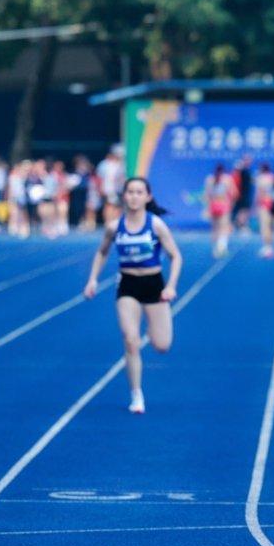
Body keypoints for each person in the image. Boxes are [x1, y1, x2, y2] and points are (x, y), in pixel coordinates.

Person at [84, 176, 183, 414]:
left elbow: (176, 256)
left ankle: (152, 326)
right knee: (130, 339)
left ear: (148, 197)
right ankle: (136, 394)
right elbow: (101, 252)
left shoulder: (156, 225)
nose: (134, 196)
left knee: (162, 345)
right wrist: (92, 279)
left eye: (139, 192)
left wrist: (171, 286)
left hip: (153, 284)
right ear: (124, 196)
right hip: (127, 285)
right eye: (130, 192)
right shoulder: (114, 227)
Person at [204, 162, 235, 258]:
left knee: (215, 228)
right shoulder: (227, 179)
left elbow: (207, 195)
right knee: (224, 227)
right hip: (223, 204)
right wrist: (230, 204)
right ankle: (221, 247)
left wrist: (208, 208)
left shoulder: (209, 179)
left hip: (214, 205)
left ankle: (216, 249)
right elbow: (233, 193)